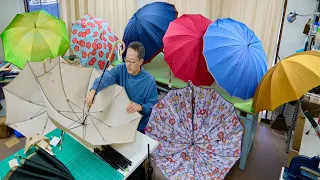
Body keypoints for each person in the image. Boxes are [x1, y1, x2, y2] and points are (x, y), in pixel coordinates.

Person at [86, 41, 158, 133]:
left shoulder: (149, 81)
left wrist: (140, 107)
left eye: (132, 62)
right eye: (126, 60)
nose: (128, 65)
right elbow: (106, 77)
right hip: (118, 118)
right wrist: (93, 90)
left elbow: (154, 107)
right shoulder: (121, 69)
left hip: (137, 126)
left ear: (141, 62)